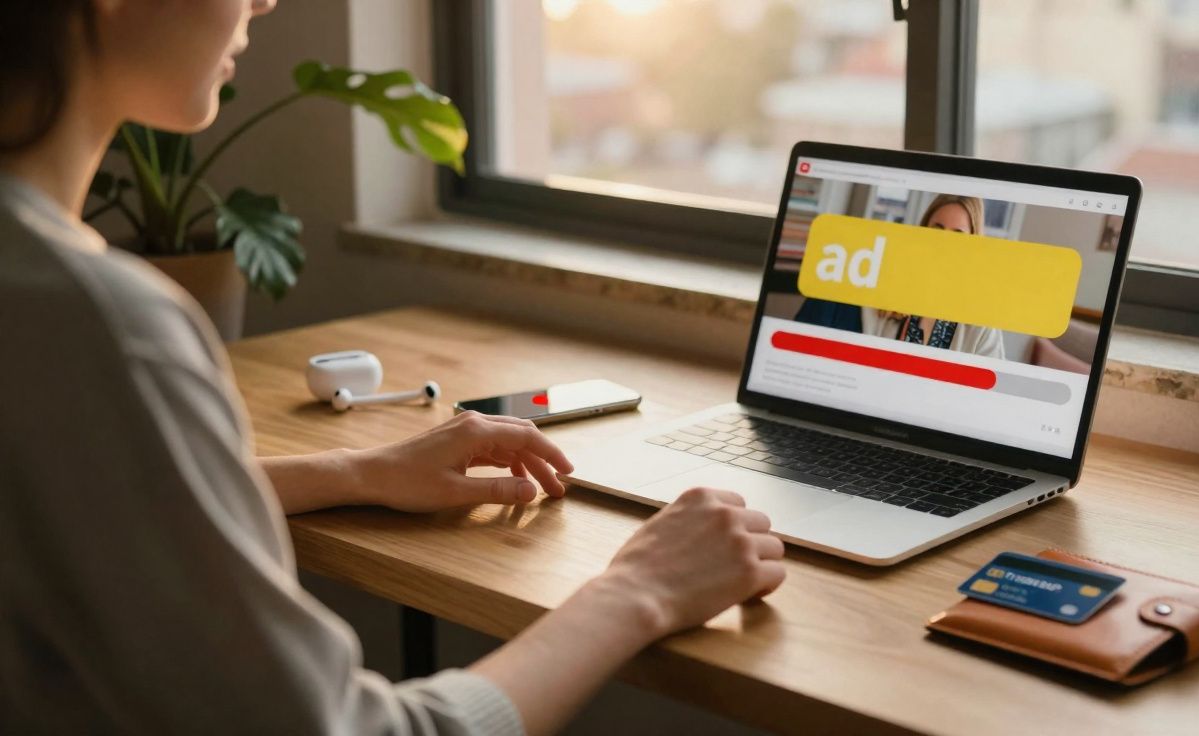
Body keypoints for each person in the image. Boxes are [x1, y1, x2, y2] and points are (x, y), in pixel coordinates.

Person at [0, 2, 785, 734]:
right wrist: (636, 592)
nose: (266, 1)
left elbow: (92, 496)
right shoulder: (97, 322)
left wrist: (359, 470)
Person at [794, 194, 1006, 359]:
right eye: (936, 230)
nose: (943, 243)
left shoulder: (981, 319)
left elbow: (990, 391)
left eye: (958, 235)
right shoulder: (886, 288)